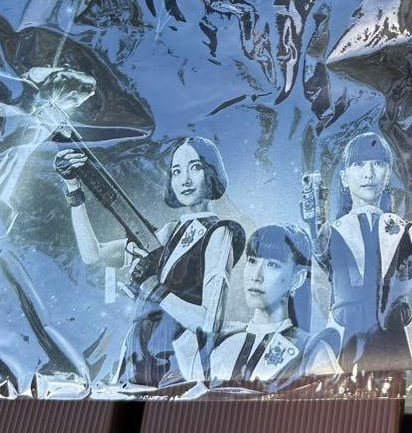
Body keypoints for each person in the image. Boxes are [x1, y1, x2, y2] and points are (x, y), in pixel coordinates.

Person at [54, 135, 245, 388]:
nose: (185, 180)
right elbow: (94, 255)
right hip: (137, 352)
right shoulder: (168, 232)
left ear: (212, 172)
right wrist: (73, 188)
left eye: (195, 167)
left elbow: (209, 324)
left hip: (179, 359)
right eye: (176, 171)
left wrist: (155, 288)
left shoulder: (219, 233)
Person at [303, 132, 412, 372]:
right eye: (359, 164)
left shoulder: (398, 227)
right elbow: (320, 243)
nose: (369, 173)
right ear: (344, 177)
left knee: (410, 393)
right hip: (346, 332)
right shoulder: (335, 232)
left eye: (378, 163)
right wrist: (314, 223)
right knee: (341, 392)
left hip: (397, 331)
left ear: (388, 173)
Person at [208, 224, 340, 389]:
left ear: (297, 279)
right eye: (252, 261)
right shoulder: (224, 342)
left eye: (272, 264)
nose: (256, 276)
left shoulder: (311, 351)